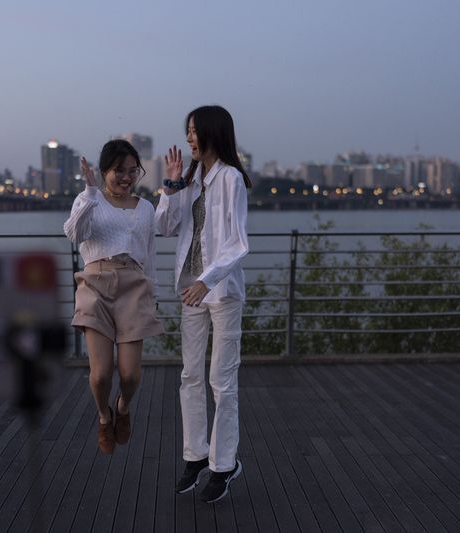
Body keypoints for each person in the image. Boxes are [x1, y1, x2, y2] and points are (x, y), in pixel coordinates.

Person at [155, 105, 251, 503]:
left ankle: (224, 465)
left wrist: (206, 279)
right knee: (190, 377)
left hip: (220, 292)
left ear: (213, 132)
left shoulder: (231, 179)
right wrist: (171, 186)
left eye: (193, 131)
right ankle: (196, 456)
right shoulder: (191, 182)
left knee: (221, 382)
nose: (189, 138)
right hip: (191, 292)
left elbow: (238, 243)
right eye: (187, 131)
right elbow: (164, 227)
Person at [63, 139, 164, 454]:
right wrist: (91, 193)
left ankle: (122, 406)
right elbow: (74, 234)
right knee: (102, 374)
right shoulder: (89, 199)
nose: (126, 177)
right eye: (119, 170)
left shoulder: (145, 207)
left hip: (134, 285)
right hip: (95, 285)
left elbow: (149, 253)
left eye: (133, 171)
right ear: (104, 170)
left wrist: (153, 292)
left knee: (131, 374)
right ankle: (104, 415)